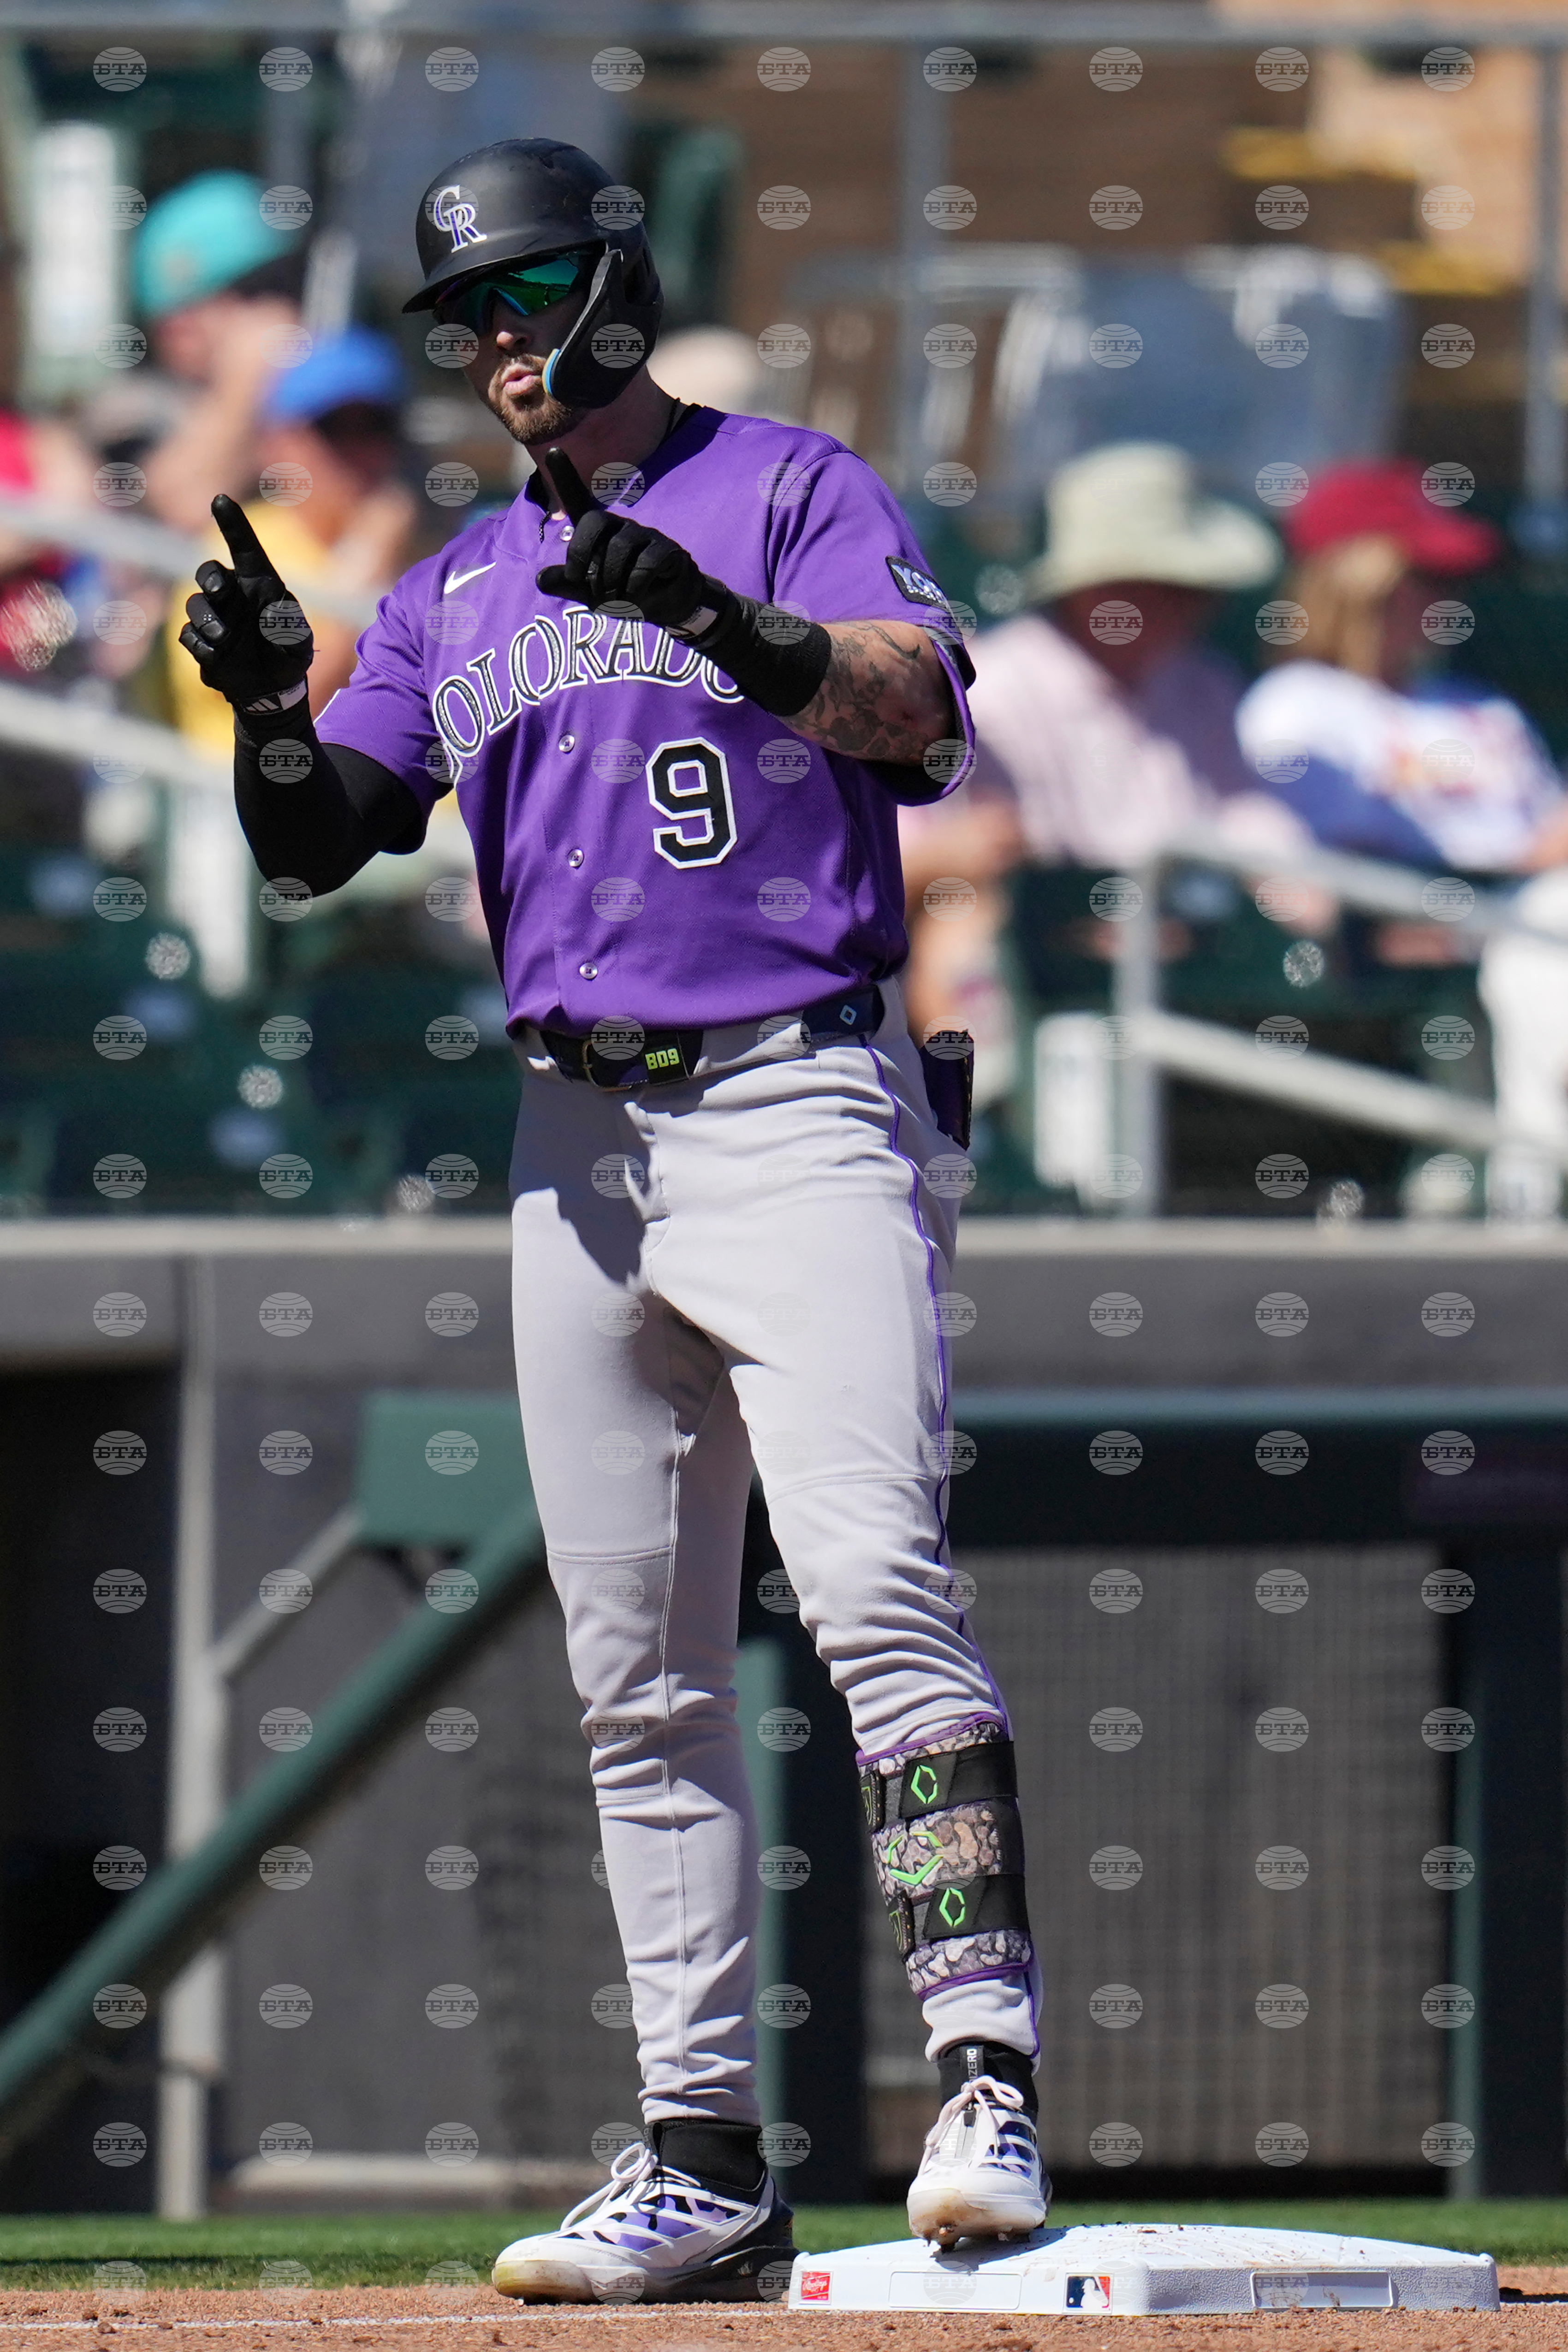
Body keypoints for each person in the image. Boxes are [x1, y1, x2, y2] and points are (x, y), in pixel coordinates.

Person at [177, 138, 1045, 2303]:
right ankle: (698, 2154)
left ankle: (981, 2078)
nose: (500, 340)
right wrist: (270, 703)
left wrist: (715, 624)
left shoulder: (779, 487)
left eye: (530, 290)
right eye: (466, 312)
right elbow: (320, 846)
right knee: (635, 1675)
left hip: (795, 1089)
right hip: (574, 1140)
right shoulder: (462, 583)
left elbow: (911, 713)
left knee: (867, 1584)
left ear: (617, 280)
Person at [898, 441, 1307, 1088]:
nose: (1199, 606)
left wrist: (1302, 895)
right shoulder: (989, 690)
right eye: (1174, 586)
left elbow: (1249, 819)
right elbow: (929, 874)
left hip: (1200, 944)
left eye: (1199, 587)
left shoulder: (1204, 684)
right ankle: (1003, 1129)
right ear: (1103, 591)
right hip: (1049, 959)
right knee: (964, 928)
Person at [1235, 461, 1567, 873]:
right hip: (1399, 922)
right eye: (1429, 577)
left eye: (1455, 581)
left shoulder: (1481, 703)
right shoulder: (1295, 704)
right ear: (1363, 583)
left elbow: (1550, 828)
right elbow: (1344, 859)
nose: (1449, 600)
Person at [166, 328, 416, 751]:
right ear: (277, 444)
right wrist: (366, 565)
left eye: (375, 427)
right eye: (334, 430)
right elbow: (283, 713)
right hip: (261, 799)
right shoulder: (236, 552)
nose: (359, 452)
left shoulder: (419, 550)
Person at [134, 171, 307, 535]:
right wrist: (244, 387)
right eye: (255, 293)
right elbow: (182, 505)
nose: (281, 312)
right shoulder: (135, 415)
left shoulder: (323, 395)